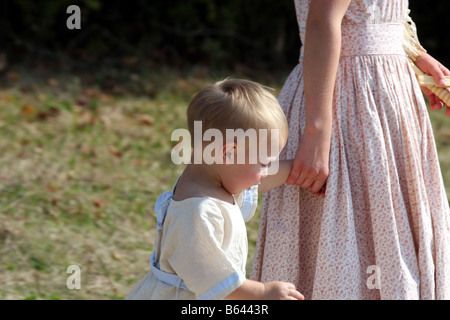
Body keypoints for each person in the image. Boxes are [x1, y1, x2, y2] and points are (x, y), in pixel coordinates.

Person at [250, 0, 450, 299]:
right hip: (348, 101)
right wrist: (317, 132)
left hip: (383, 91)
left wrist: (415, 55)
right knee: (345, 240)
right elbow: (322, 23)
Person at [126, 79, 304, 300]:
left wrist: (299, 170)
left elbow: (255, 184)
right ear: (228, 153)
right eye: (265, 163)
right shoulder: (198, 211)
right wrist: (263, 292)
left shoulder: (212, 180)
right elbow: (217, 282)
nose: (267, 172)